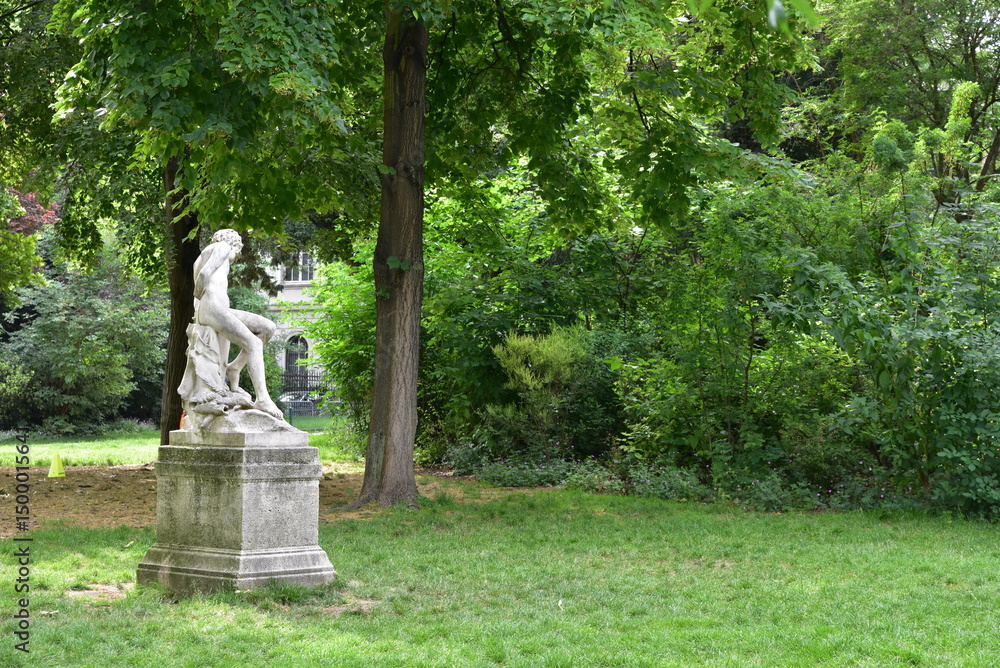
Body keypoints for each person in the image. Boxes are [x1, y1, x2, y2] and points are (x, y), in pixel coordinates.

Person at [192, 229, 281, 418]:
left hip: (217, 308)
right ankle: (263, 398)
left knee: (267, 328)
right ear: (234, 244)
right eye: (238, 252)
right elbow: (203, 277)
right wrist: (201, 302)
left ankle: (234, 368)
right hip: (214, 308)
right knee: (254, 343)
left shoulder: (201, 256)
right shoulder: (222, 247)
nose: (236, 257)